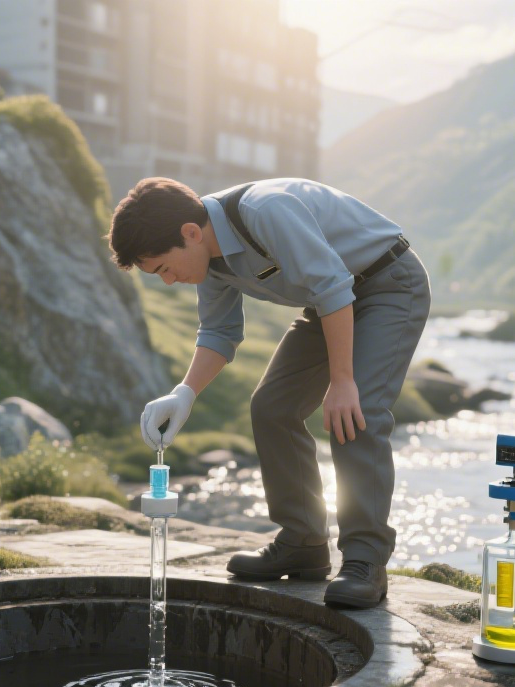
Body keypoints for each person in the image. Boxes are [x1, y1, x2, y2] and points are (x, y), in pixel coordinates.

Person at [107, 177, 431, 608]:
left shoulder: (265, 212)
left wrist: (342, 381)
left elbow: (333, 285)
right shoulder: (208, 258)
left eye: (164, 268)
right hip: (331, 302)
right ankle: (303, 543)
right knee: (272, 406)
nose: (168, 281)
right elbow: (220, 332)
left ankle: (365, 560)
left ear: (189, 232)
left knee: (358, 411)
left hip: (388, 284)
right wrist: (184, 393)